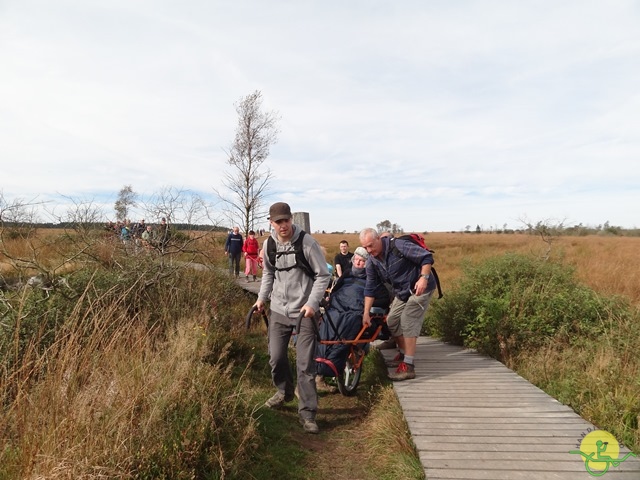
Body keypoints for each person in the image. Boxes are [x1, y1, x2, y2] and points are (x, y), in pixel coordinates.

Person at [254, 202, 331, 434]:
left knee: (305, 364)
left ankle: (308, 413)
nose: (283, 225)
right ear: (271, 222)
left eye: (286, 220)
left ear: (291, 220)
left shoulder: (307, 242)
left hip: (305, 312)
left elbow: (323, 275)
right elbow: (269, 273)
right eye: (278, 222)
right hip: (278, 309)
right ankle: (284, 392)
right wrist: (261, 299)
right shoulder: (269, 245)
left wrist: (312, 303)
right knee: (276, 358)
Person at [359, 228, 436, 381]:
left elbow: (426, 257)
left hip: (421, 288)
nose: (368, 250)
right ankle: (403, 353)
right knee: (392, 320)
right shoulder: (372, 261)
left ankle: (408, 366)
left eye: (370, 246)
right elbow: (370, 287)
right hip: (402, 292)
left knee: (407, 319)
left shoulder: (398, 245)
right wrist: (366, 312)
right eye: (365, 247)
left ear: (378, 239)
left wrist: (424, 278)